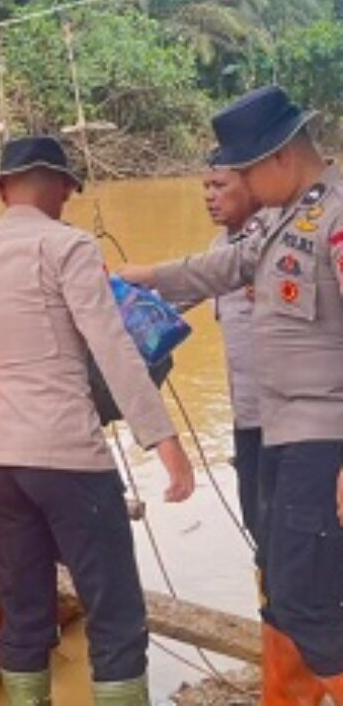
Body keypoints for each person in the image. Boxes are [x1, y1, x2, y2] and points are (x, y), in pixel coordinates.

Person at [0, 136, 194, 706]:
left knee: (25, 614)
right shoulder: (69, 246)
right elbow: (113, 347)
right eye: (68, 191)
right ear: (58, 186)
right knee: (115, 614)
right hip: (69, 455)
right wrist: (163, 440)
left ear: (3, 190)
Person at [118, 86, 343, 704]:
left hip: (325, 436)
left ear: (279, 157)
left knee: (307, 596)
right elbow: (222, 268)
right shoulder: (283, 218)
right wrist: (146, 277)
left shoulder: (336, 217)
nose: (238, 183)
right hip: (280, 433)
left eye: (243, 171)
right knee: (286, 586)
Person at [202, 163, 272, 547]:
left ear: (254, 185)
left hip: (286, 418)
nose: (209, 196)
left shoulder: (277, 239)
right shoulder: (218, 249)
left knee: (294, 535)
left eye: (219, 185)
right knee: (258, 524)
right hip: (247, 416)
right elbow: (174, 298)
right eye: (205, 187)